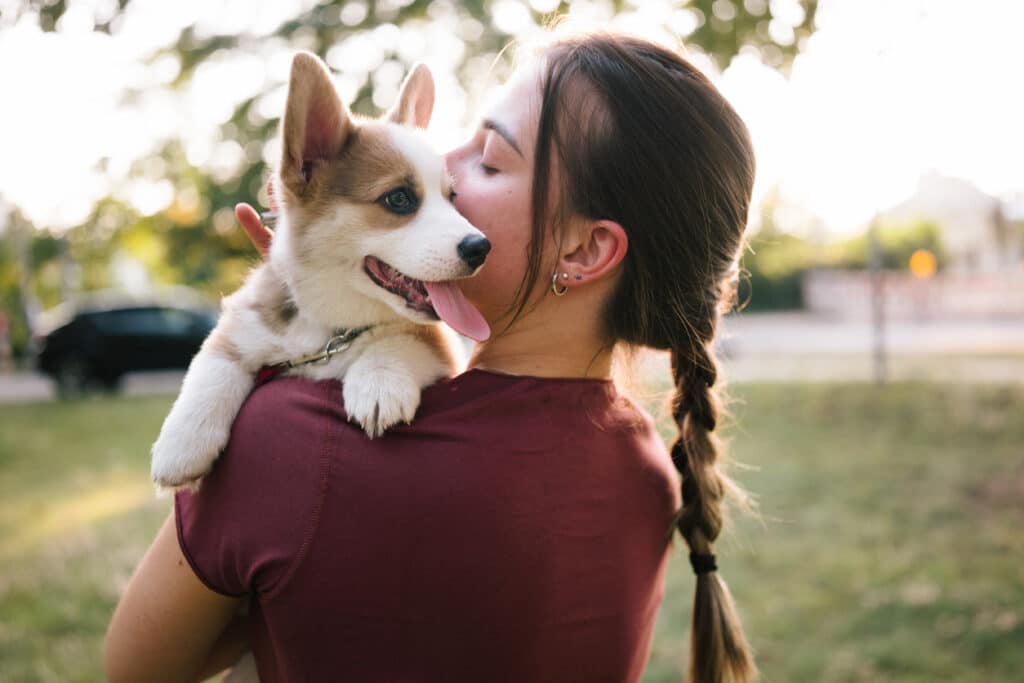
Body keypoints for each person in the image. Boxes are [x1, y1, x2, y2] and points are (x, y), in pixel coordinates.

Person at [105, 30, 757, 683]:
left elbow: (136, 667)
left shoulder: (293, 443)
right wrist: (325, 293)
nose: (444, 160)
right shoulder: (647, 469)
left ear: (583, 252)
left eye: (489, 160)